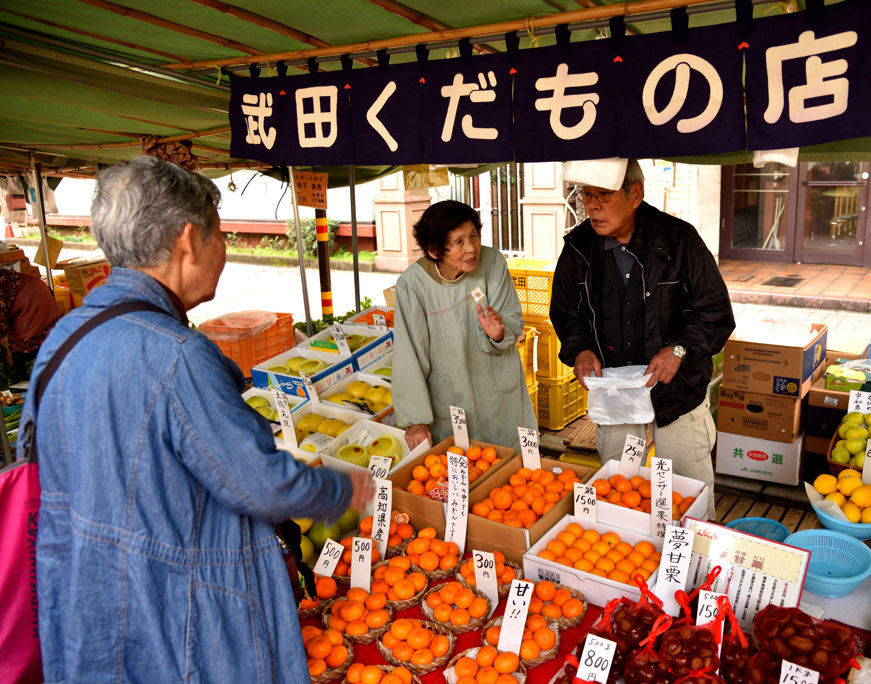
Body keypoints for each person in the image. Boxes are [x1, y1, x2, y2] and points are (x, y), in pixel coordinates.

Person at [20, 156, 372, 682]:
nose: (223, 250)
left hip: (83, 609)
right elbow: (260, 486)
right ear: (189, 240)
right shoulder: (178, 353)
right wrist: (342, 489)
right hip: (174, 619)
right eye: (221, 235)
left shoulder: (64, 337)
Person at [550, 158, 735, 520]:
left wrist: (678, 350)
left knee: (688, 493)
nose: (592, 206)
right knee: (618, 489)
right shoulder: (578, 247)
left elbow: (715, 314)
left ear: (635, 194)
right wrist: (580, 350)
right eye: (586, 195)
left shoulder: (680, 241)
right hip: (615, 390)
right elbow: (566, 313)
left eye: (603, 195)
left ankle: (697, 564)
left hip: (677, 390)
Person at [392, 200, 536, 449]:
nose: (472, 248)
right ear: (435, 250)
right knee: (463, 468)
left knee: (513, 471)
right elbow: (409, 354)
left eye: (474, 236)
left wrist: (499, 334)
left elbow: (512, 318)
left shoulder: (492, 262)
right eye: (459, 242)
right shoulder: (412, 285)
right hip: (450, 396)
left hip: (496, 388)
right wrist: (415, 421)